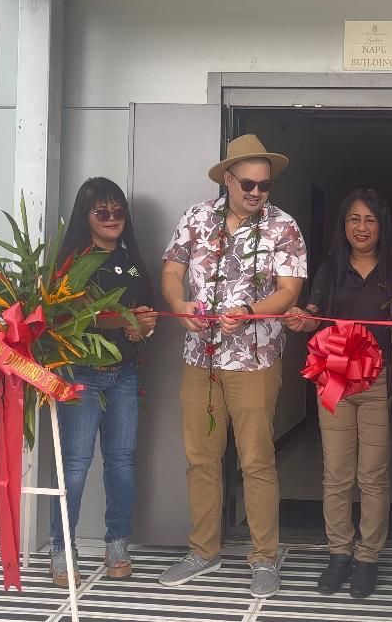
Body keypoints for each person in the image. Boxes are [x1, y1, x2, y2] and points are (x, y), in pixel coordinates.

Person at [157, 134, 307, 598]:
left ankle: (264, 555)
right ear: (227, 179)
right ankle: (203, 550)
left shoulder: (284, 226)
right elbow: (171, 270)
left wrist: (251, 312)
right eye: (248, 183)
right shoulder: (196, 217)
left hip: (255, 358)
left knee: (257, 460)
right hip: (199, 357)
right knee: (200, 457)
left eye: (265, 186)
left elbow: (289, 290)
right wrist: (179, 306)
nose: (257, 193)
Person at [285, 188, 392, 599]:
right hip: (337, 378)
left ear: (382, 226)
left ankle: (367, 558)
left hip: (382, 382)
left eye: (370, 220)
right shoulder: (330, 268)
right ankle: (339, 553)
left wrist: (386, 359)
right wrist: (302, 321)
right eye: (353, 220)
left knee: (373, 476)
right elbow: (314, 315)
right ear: (344, 226)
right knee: (336, 474)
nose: (361, 228)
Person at [49, 176, 158, 587]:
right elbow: (66, 321)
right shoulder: (72, 263)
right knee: (75, 465)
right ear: (87, 216)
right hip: (81, 375)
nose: (112, 218)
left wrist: (143, 328)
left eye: (118, 211)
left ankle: (118, 543)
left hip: (125, 374)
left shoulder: (132, 258)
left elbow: (146, 315)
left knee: (122, 462)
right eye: (103, 212)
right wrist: (126, 321)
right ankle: (62, 548)